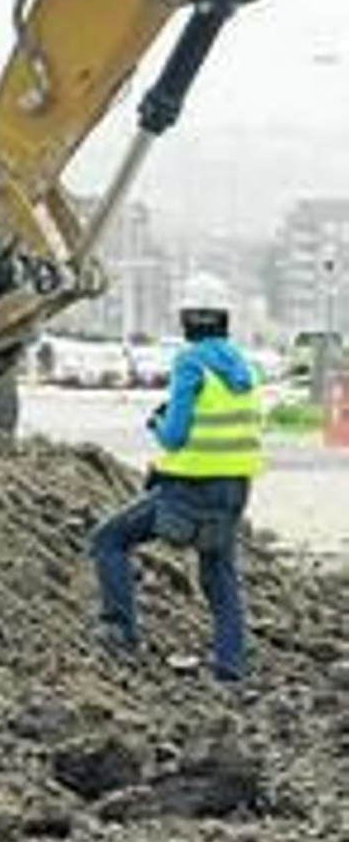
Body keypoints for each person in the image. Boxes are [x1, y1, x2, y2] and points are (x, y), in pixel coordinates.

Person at [91, 283, 264, 682]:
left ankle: (120, 632)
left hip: (189, 487)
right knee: (219, 574)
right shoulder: (246, 367)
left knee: (108, 540)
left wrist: (157, 421)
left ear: (188, 320)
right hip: (235, 487)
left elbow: (174, 436)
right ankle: (230, 667)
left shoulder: (190, 362)